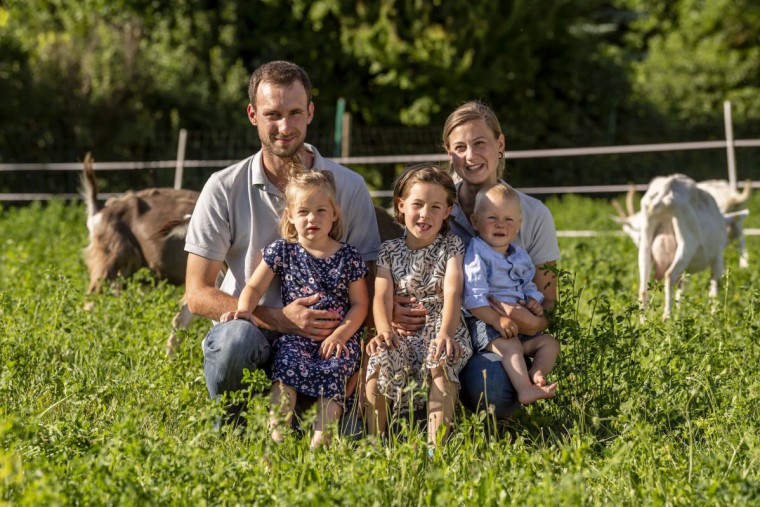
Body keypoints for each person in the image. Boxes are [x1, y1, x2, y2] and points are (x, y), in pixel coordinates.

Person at [184, 61, 380, 426]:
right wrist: (279, 320)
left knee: (354, 437)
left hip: (329, 340)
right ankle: (232, 428)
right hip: (252, 333)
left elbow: (368, 284)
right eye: (273, 114)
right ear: (252, 114)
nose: (285, 127)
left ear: (310, 112)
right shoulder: (223, 187)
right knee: (234, 342)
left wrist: (358, 356)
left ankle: (307, 419)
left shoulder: (348, 187)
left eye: (294, 113)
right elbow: (196, 293)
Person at [392, 101, 560, 419]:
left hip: (505, 336)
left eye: (480, 143)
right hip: (441, 331)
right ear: (449, 154)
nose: (470, 156)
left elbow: (549, 299)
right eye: (459, 147)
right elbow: (403, 267)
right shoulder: (435, 210)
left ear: (500, 144)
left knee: (493, 386)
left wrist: (534, 321)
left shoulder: (534, 214)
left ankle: (493, 411)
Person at [220, 169, 368, 448]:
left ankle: (320, 445)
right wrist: (244, 311)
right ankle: (277, 439)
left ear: (334, 214)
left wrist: (341, 335)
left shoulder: (348, 256)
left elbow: (360, 304)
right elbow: (253, 287)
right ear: (290, 215)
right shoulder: (283, 251)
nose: (312, 218)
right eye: (303, 211)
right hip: (296, 336)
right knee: (285, 368)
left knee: (336, 370)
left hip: (337, 338)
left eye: (321, 210)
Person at [364, 164, 472, 453]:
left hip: (442, 327)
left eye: (436, 207)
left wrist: (446, 333)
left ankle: (435, 446)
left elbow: (452, 292)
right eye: (418, 205)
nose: (425, 214)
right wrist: (384, 330)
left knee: (440, 362)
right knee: (379, 359)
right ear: (401, 205)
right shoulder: (388, 250)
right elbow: (382, 297)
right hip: (402, 332)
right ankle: (375, 440)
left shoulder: (451, 247)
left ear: (448, 211)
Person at [463, 182, 559, 404]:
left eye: (508, 219)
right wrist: (498, 320)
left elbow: (528, 285)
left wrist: (533, 302)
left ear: (518, 225)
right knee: (512, 347)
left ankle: (537, 374)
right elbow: (473, 299)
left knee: (549, 344)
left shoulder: (519, 254)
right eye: (492, 218)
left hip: (518, 325)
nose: (500, 225)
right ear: (475, 222)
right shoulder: (477, 254)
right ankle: (525, 389)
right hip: (486, 323)